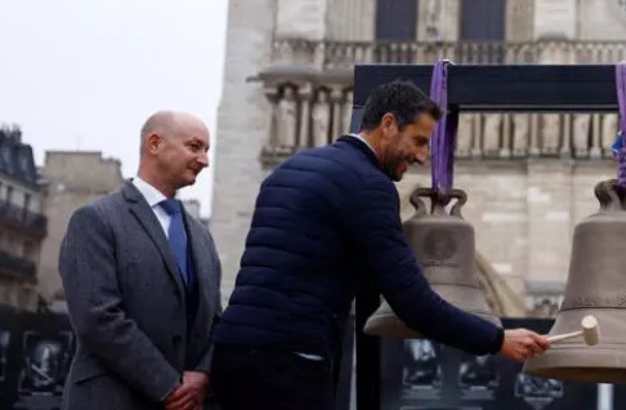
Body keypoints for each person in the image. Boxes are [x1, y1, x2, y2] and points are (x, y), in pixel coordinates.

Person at [211, 79, 549, 410]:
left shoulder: (287, 170)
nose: (421, 156)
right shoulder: (369, 186)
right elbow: (413, 302)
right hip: (289, 365)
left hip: (232, 355)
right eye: (418, 141)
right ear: (388, 124)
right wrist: (497, 339)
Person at [59, 111, 221, 410]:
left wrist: (204, 373)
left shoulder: (201, 235)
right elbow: (98, 318)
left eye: (207, 150)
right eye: (195, 147)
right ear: (155, 144)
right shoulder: (96, 220)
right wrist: (169, 386)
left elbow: (214, 320)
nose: (204, 160)